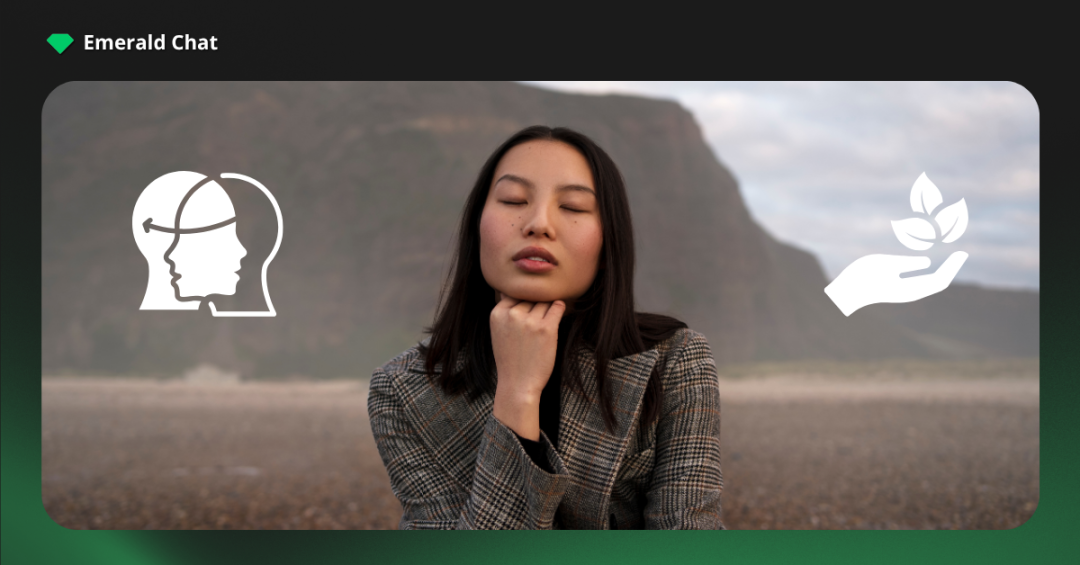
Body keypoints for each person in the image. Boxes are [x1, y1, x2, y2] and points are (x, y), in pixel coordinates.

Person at [368, 125, 723, 530]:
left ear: (608, 246)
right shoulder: (404, 391)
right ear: (477, 229)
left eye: (572, 207)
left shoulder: (673, 359)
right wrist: (518, 393)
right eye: (513, 199)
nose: (539, 223)